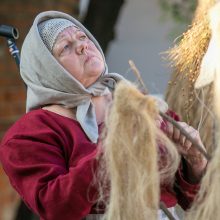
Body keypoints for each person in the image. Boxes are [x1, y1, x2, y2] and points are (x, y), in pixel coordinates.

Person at [0, 11, 208, 220]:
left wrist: (195, 163)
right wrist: (115, 147)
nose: (82, 46)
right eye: (65, 47)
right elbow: (55, 207)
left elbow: (195, 201)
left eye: (82, 37)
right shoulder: (29, 134)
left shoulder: (140, 106)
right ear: (48, 70)